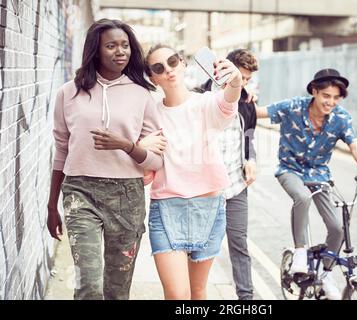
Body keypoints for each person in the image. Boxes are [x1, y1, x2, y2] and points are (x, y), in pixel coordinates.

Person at [46, 19, 166, 300]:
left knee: (116, 290)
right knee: (89, 285)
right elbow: (61, 150)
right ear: (95, 51)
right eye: (111, 46)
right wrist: (52, 205)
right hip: (80, 192)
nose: (120, 51)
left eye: (125, 45)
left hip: (126, 196)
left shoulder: (142, 94)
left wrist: (126, 145)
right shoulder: (69, 92)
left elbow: (156, 161)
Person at [256, 68, 357, 300]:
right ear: (314, 91)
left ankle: (324, 275)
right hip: (290, 170)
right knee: (302, 197)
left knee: (338, 228)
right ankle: (300, 253)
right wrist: (239, 96)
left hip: (319, 176)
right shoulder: (292, 107)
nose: (330, 102)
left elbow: (355, 146)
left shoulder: (341, 118)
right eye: (326, 95)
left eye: (336, 97)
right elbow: (256, 113)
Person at [140, 44, 242, 300]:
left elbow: (228, 103)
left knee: (197, 291)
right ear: (152, 77)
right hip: (166, 208)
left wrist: (236, 80)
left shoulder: (205, 103)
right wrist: (139, 149)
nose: (168, 70)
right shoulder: (150, 114)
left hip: (208, 206)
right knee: (177, 295)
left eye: (173, 61)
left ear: (183, 64)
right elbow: (144, 173)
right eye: (158, 68)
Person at [196, 49, 258, 300]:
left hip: (235, 186)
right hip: (203, 188)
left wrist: (251, 159)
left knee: (239, 245)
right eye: (240, 77)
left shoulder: (245, 102)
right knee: (199, 248)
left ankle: (247, 299)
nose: (242, 84)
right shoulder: (198, 97)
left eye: (247, 80)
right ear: (223, 68)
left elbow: (249, 136)